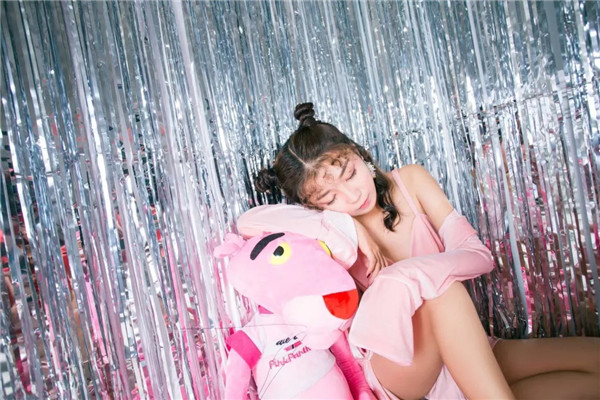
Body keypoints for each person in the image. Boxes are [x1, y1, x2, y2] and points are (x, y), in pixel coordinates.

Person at [236, 103, 600, 399]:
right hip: (398, 365)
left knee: (593, 364)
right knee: (442, 291)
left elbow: (478, 255)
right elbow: (248, 221)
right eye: (330, 198)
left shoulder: (410, 181)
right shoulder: (331, 231)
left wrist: (406, 273)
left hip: (465, 344)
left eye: (350, 174)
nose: (352, 195)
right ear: (313, 206)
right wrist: (344, 227)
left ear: (359, 153)